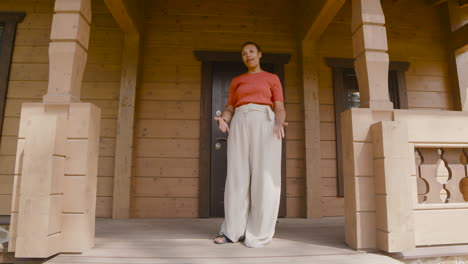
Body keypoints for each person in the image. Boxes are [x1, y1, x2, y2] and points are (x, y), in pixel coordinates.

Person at [213, 41, 287, 248]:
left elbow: (279, 105)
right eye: (244, 53)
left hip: (265, 122)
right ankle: (231, 231)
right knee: (237, 175)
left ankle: (259, 233)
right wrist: (225, 119)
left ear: (260, 54)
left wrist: (279, 122)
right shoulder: (237, 81)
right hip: (240, 121)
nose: (248, 55)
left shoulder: (272, 78)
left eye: (252, 51)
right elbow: (230, 107)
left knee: (264, 175)